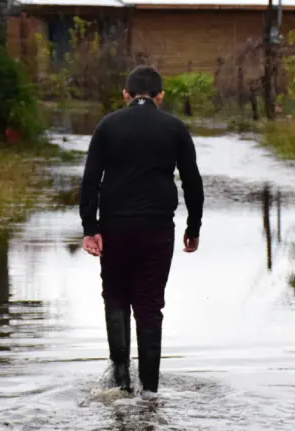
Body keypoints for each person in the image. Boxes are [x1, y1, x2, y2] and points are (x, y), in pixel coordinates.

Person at [79, 65, 204, 394]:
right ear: (160, 96)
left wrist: (90, 228)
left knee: (116, 297)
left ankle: (120, 383)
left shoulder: (107, 126)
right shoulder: (175, 129)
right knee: (150, 303)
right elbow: (192, 182)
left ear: (125, 95)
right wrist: (194, 227)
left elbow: (90, 181)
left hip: (115, 227)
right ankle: (150, 391)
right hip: (157, 228)